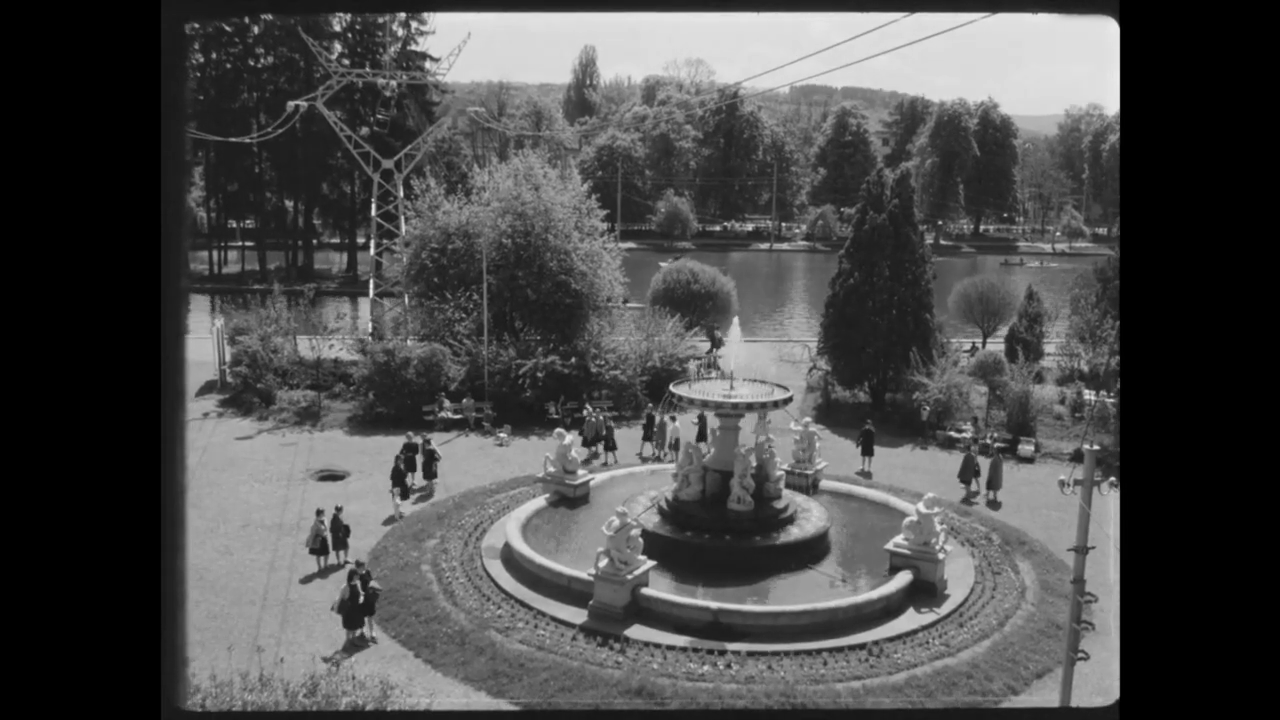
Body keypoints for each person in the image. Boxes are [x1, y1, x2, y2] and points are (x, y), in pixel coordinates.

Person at [334, 569, 365, 646]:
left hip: (357, 609)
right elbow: (340, 598)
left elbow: (360, 593)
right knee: (349, 627)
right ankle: (348, 641)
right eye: (356, 575)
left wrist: (363, 596)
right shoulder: (346, 587)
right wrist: (336, 608)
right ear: (352, 576)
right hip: (349, 610)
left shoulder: (357, 584)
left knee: (355, 625)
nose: (358, 577)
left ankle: (354, 639)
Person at [352, 560, 380, 644]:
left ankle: (372, 633)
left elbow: (372, 581)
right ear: (358, 568)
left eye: (364, 566)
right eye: (362, 566)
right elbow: (356, 585)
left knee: (370, 616)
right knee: (361, 615)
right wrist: (360, 593)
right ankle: (362, 631)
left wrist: (374, 589)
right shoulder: (357, 576)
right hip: (362, 598)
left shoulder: (367, 572)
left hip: (369, 598)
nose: (364, 567)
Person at [304, 508, 330, 573]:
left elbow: (325, 528)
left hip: (324, 538)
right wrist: (310, 542)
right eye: (323, 513)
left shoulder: (324, 519)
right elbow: (312, 533)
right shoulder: (315, 524)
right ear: (320, 514)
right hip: (319, 540)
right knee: (318, 554)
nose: (324, 514)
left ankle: (325, 565)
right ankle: (319, 567)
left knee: (327, 553)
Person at [389, 455, 409, 520]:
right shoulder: (396, 468)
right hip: (398, 486)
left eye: (402, 460)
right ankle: (397, 514)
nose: (402, 461)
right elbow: (393, 477)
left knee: (399, 499)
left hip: (399, 486)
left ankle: (399, 511)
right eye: (401, 460)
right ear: (397, 461)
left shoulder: (399, 467)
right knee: (397, 500)